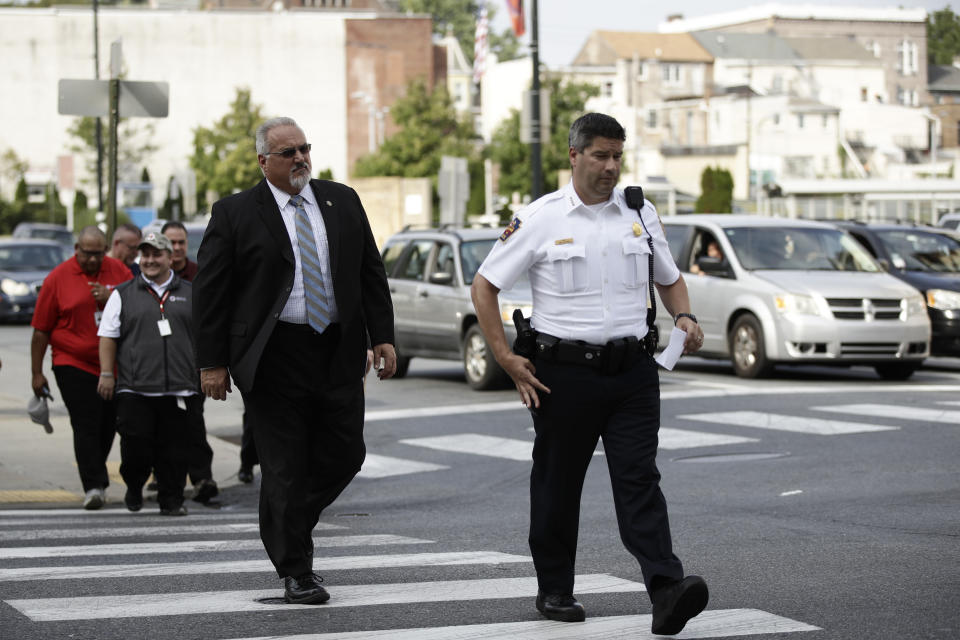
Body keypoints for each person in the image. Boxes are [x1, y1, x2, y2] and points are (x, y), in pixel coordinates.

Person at [471, 113, 709, 636]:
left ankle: (666, 589)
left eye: (617, 156)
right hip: (564, 375)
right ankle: (555, 588)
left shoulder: (640, 214)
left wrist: (684, 317)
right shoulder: (540, 217)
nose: (610, 167)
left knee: (639, 479)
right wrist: (506, 358)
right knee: (559, 484)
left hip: (633, 375)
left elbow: (669, 279)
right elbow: (485, 285)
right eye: (600, 155)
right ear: (574, 155)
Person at [192, 116, 398, 605]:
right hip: (274, 355)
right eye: (289, 152)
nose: (301, 158)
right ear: (264, 162)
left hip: (337, 349)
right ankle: (296, 570)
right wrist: (212, 362)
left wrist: (382, 336)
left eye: (305, 148)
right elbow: (211, 294)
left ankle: (288, 521)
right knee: (283, 467)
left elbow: (370, 271)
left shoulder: (342, 200)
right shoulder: (236, 213)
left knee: (347, 454)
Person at [30, 226, 133, 509]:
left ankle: (96, 472)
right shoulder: (58, 278)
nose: (92, 260)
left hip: (113, 364)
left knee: (108, 422)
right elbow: (40, 331)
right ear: (77, 249)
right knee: (86, 421)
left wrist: (110, 296)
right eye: (87, 253)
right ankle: (94, 485)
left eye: (98, 253)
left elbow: (137, 302)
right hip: (72, 363)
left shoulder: (119, 272)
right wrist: (37, 373)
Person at [96, 231, 198, 515]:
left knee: (175, 451)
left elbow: (206, 336)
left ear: (170, 257)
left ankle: (172, 500)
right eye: (146, 254)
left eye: (157, 254)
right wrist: (107, 373)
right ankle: (134, 484)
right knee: (136, 448)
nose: (150, 260)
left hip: (179, 388)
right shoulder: (122, 294)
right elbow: (107, 336)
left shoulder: (191, 293)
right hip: (135, 388)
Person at [161, 220, 218, 503]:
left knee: (193, 422)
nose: (177, 248)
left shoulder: (199, 275)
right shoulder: (152, 276)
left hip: (193, 365)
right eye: (171, 243)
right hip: (159, 367)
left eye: (181, 242)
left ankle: (202, 478)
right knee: (163, 425)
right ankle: (165, 475)